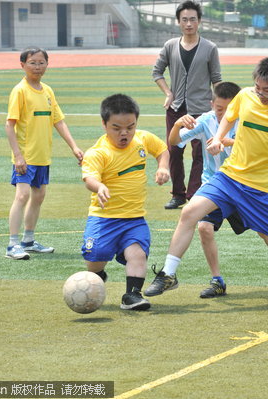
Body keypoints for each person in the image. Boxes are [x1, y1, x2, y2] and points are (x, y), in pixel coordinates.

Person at [145, 57, 268, 303]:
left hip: (264, 190)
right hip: (230, 176)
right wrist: (218, 137)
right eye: (258, 87)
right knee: (189, 213)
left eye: (267, 90)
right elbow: (230, 115)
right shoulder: (246, 95)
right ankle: (168, 274)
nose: (260, 94)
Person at [168, 82, 268, 298]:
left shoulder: (250, 119)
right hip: (216, 185)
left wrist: (228, 142)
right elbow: (174, 141)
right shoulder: (205, 121)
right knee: (204, 228)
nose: (224, 114)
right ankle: (217, 280)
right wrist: (177, 124)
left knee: (266, 234)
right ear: (212, 104)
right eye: (219, 108)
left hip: (246, 185)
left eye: (229, 109)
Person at [80, 94, 170, 311]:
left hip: (134, 218)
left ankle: (132, 295)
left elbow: (162, 150)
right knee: (96, 259)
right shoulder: (98, 153)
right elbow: (89, 178)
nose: (124, 133)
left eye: (130, 127)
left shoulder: (142, 139)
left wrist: (163, 167)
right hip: (104, 219)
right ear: (104, 124)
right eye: (116, 128)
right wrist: (99, 186)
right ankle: (97, 276)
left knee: (137, 253)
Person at [5, 46, 84, 260]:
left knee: (38, 196)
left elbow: (58, 120)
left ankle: (28, 240)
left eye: (41, 63)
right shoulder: (20, 91)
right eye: (33, 63)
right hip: (25, 156)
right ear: (22, 65)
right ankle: (12, 245)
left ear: (47, 65)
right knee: (22, 195)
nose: (37, 67)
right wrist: (18, 155)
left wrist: (74, 146)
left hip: (42, 155)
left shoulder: (47, 91)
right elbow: (9, 125)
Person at [152, 0, 222, 210]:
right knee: (174, 151)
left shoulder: (210, 48)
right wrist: (168, 93)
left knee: (201, 152)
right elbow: (157, 72)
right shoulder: (170, 45)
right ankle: (178, 194)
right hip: (176, 108)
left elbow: (217, 78)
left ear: (199, 21)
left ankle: (195, 193)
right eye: (185, 20)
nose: (189, 23)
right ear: (179, 22)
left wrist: (219, 107)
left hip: (202, 109)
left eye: (193, 19)